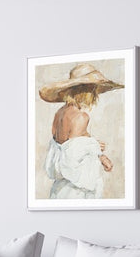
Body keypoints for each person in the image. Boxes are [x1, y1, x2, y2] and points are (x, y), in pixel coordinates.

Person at [39, 63, 123, 199]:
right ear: (86, 90)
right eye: (94, 89)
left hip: (59, 189)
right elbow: (72, 156)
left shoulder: (59, 114)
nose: (95, 95)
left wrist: (100, 155)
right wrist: (93, 145)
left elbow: (72, 142)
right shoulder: (81, 117)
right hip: (76, 190)